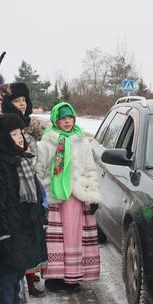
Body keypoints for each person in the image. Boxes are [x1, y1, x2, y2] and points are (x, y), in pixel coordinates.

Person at [0, 113, 46, 304]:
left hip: (24, 223)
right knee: (8, 270)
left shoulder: (22, 160)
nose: (20, 138)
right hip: (9, 226)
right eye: (14, 134)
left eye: (20, 132)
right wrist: (1, 232)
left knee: (19, 268)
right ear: (3, 137)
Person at [35, 102, 102, 292]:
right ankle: (54, 278)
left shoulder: (82, 141)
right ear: (56, 119)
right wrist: (41, 196)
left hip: (77, 196)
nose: (67, 121)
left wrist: (93, 195)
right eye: (63, 118)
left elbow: (90, 169)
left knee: (74, 237)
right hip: (55, 197)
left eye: (70, 117)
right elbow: (40, 170)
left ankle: (72, 277)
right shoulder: (47, 142)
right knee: (55, 238)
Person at [2, 82, 48, 297]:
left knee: (33, 234)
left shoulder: (31, 125)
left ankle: (30, 279)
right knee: (22, 236)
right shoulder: (7, 124)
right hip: (18, 186)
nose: (21, 104)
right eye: (17, 100)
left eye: (24, 100)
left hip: (32, 182)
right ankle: (20, 287)